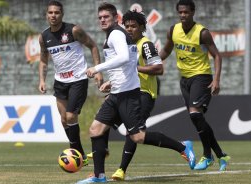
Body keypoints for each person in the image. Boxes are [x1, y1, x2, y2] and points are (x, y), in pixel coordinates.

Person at [76, 3, 195, 183]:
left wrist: (97, 68)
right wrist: (111, 82)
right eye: (100, 17)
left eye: (106, 17)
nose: (102, 20)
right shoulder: (118, 36)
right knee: (96, 129)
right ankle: (99, 176)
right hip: (118, 93)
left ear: (115, 19)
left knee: (137, 136)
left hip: (133, 94)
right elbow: (127, 64)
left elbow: (127, 60)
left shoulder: (120, 36)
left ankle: (182, 147)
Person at [159, 0, 230, 171]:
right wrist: (152, 62)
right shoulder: (173, 30)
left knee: (195, 115)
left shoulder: (202, 32)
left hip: (202, 76)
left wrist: (217, 80)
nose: (183, 15)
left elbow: (217, 56)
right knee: (197, 119)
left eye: (186, 12)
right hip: (184, 80)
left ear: (193, 13)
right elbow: (166, 51)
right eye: (180, 12)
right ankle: (220, 155)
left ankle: (207, 155)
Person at [38, 0, 103, 166]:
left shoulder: (74, 30)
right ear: (46, 15)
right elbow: (43, 60)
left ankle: (76, 156)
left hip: (78, 80)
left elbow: (93, 46)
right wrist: (42, 80)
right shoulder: (44, 36)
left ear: (62, 14)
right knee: (63, 120)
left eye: (57, 12)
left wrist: (97, 69)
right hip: (60, 81)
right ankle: (81, 156)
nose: (53, 16)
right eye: (50, 13)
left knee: (70, 116)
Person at [110, 10, 164, 181]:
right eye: (127, 26)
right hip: (126, 92)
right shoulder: (125, 46)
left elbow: (159, 69)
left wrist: (136, 68)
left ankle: (121, 170)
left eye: (133, 26)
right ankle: (98, 161)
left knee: (133, 132)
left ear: (141, 27)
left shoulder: (146, 45)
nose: (130, 29)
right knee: (105, 121)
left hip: (144, 93)